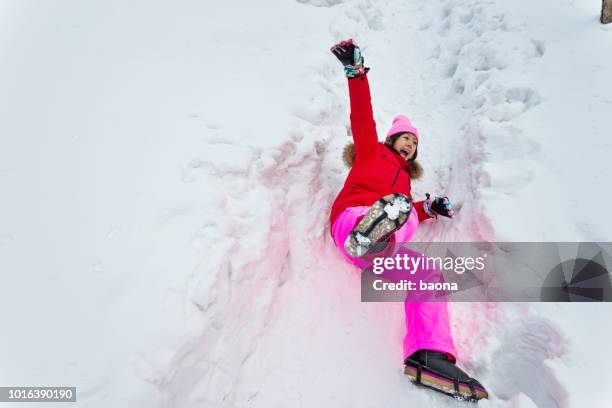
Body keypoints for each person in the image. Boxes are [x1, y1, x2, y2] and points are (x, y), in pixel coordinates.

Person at [329, 38, 488, 401]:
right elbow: (362, 116)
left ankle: (429, 356)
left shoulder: (404, 183)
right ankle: (368, 232)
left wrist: (428, 208)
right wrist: (356, 74)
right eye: (404, 139)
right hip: (352, 220)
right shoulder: (370, 152)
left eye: (414, 144)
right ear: (391, 139)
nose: (409, 146)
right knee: (389, 210)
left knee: (428, 272)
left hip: (382, 246)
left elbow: (409, 210)